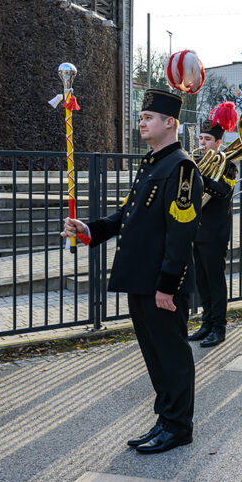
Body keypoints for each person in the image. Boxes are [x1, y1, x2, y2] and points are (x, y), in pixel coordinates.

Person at [60, 89, 200, 454]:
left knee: (172, 355)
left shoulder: (182, 168)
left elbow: (180, 234)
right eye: (140, 117)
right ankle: (165, 419)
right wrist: (88, 230)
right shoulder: (152, 164)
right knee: (155, 356)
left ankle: (179, 427)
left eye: (148, 118)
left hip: (161, 284)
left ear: (169, 123)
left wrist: (167, 286)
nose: (141, 122)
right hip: (141, 279)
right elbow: (127, 216)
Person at [186, 118, 238, 347]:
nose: (203, 143)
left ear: (218, 142)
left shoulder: (229, 164)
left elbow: (224, 191)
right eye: (201, 138)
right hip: (196, 228)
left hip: (215, 230)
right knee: (202, 281)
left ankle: (219, 327)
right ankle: (206, 323)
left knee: (215, 281)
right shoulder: (193, 161)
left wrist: (201, 178)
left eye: (208, 140)